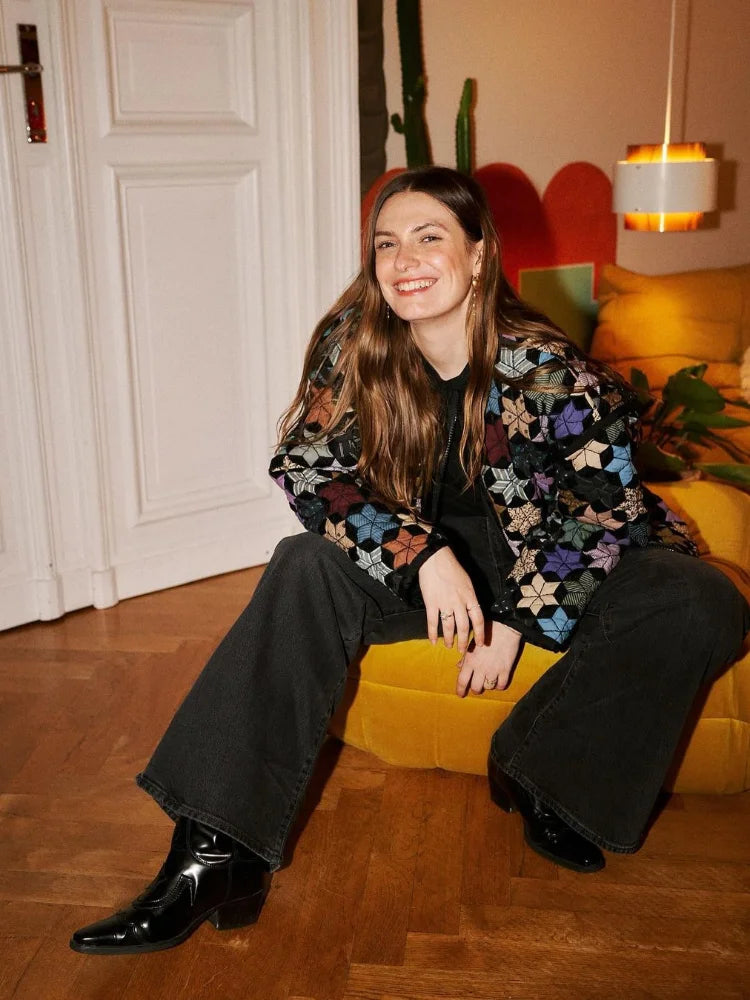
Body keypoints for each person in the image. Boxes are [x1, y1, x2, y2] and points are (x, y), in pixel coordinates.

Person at [70, 167, 749, 955]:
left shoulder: (548, 369)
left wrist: (518, 617)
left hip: (546, 555)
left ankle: (542, 774)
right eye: (387, 244)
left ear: (478, 255)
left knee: (702, 599)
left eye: (430, 237)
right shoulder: (354, 345)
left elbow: (603, 506)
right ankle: (215, 855)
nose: (404, 260)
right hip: (420, 562)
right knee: (304, 564)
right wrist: (420, 554)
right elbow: (307, 469)